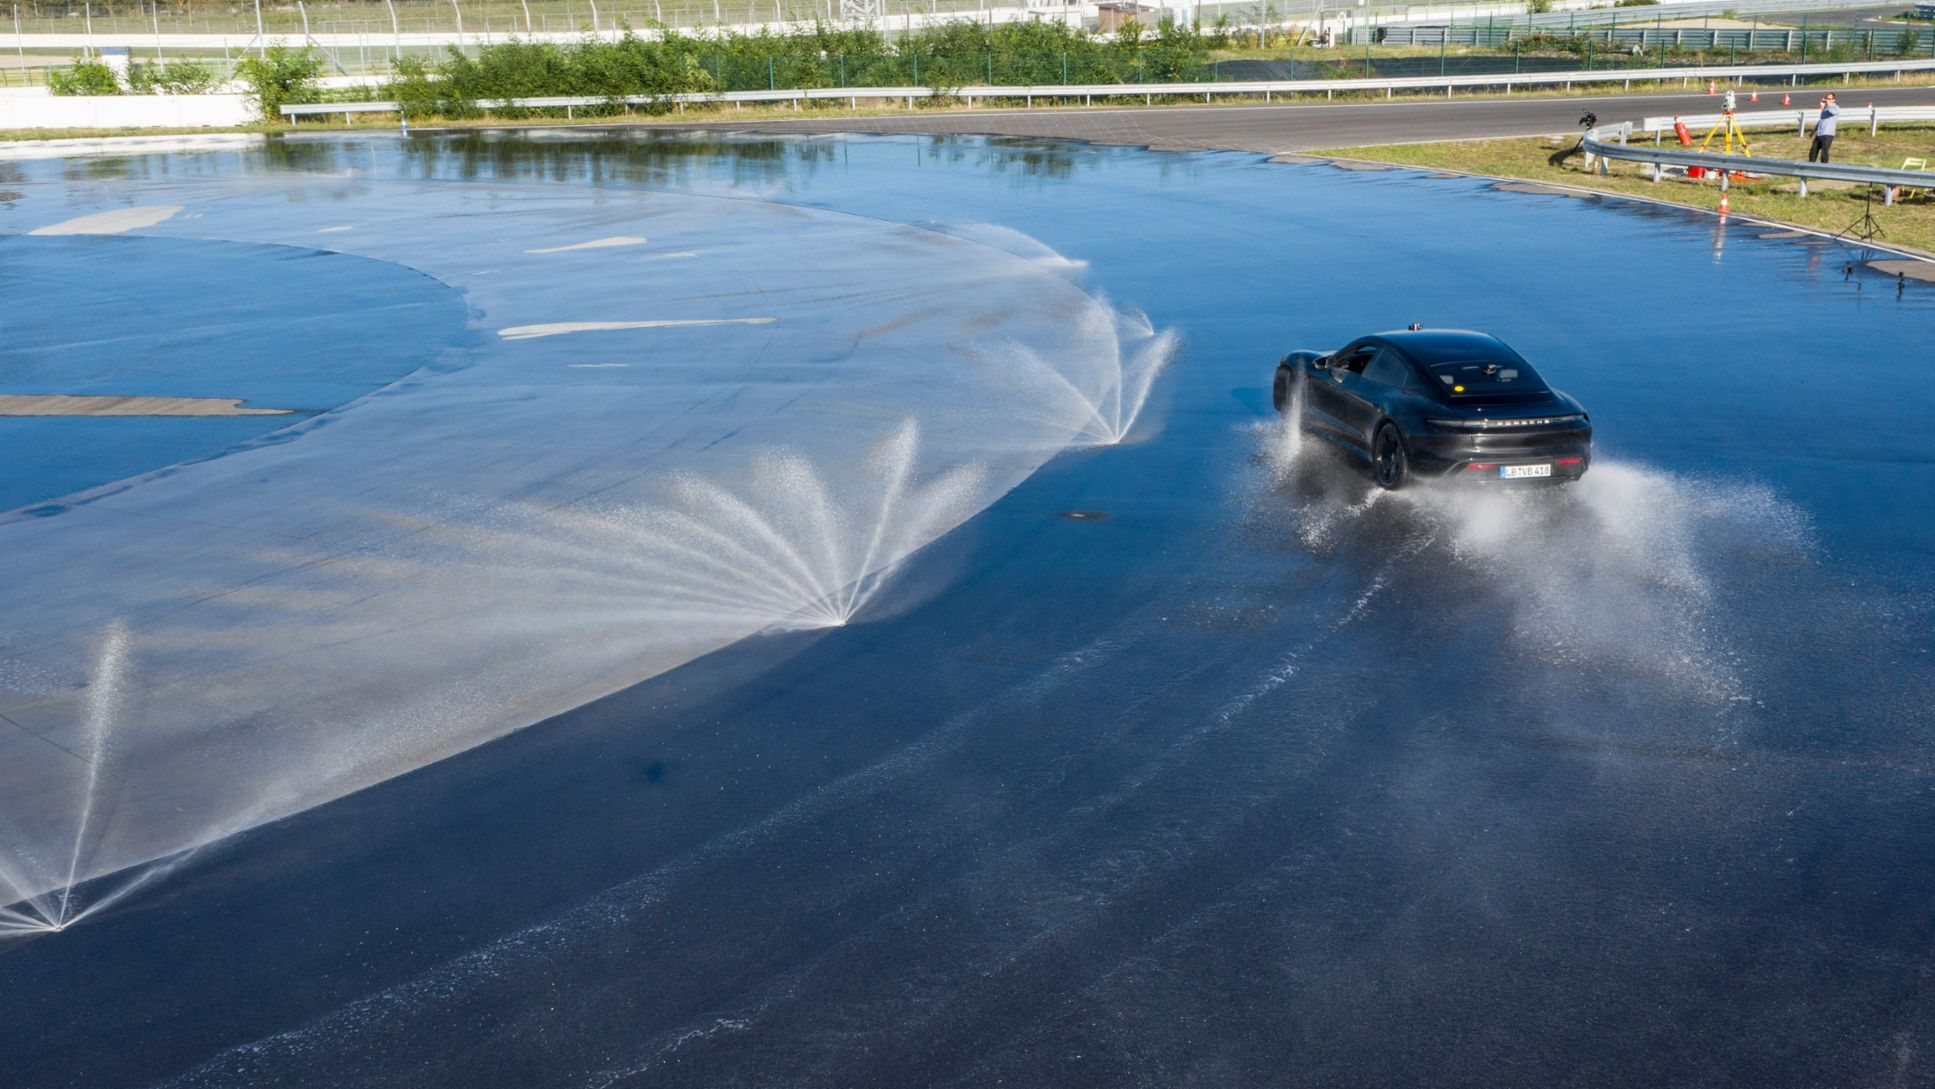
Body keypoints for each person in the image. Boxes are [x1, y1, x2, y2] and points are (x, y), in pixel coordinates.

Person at [1809, 93, 1841, 163]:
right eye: (1827, 98)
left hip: (1828, 134)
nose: (1827, 100)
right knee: (1812, 152)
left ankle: (1824, 169)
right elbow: (1821, 120)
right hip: (1819, 134)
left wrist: (1829, 104)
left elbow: (1833, 112)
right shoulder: (1825, 109)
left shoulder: (1836, 107)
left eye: (1829, 99)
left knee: (1824, 153)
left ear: (1834, 100)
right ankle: (1810, 167)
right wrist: (1813, 131)